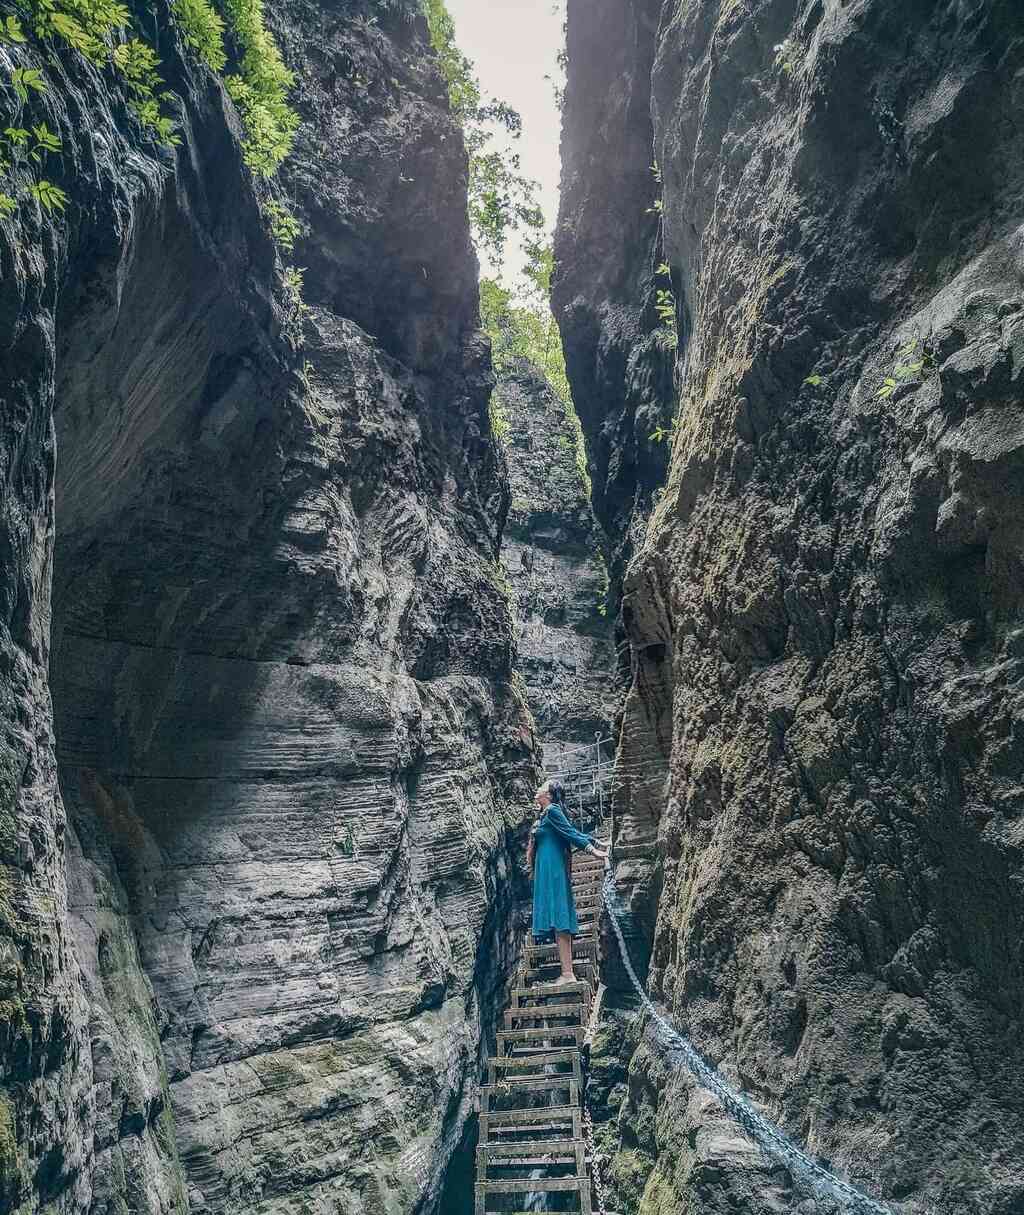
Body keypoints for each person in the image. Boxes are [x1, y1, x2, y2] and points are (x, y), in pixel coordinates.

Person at [527, 779, 609, 984]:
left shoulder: (553, 811)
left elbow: (570, 833)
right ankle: (566, 972)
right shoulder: (546, 815)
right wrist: (595, 841)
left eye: (542, 786)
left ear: (549, 794)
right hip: (546, 871)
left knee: (560, 915)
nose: (538, 788)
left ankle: (568, 973)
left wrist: (594, 851)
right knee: (556, 918)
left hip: (553, 871)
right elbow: (570, 830)